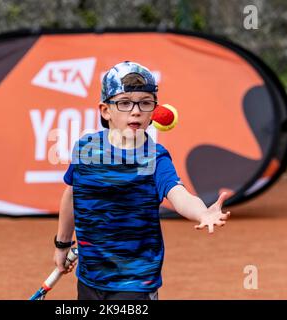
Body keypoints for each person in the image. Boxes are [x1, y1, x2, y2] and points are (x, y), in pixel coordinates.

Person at [53, 61, 231, 300]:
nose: (135, 111)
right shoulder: (86, 149)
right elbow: (72, 194)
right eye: (124, 103)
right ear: (106, 111)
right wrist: (62, 244)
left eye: (145, 103)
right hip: (89, 278)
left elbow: (178, 194)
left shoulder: (156, 158)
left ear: (154, 112)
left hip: (136, 281)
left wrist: (202, 214)